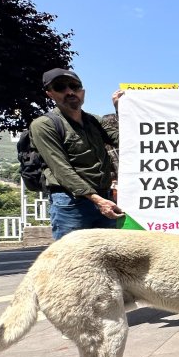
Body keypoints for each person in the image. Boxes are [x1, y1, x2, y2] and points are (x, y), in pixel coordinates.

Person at [31, 68, 124, 240]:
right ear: (50, 94)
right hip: (71, 204)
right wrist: (97, 200)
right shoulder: (44, 125)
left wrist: (122, 109)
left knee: (110, 259)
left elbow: (127, 141)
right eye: (60, 87)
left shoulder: (94, 121)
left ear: (82, 91)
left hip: (105, 199)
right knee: (72, 262)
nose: (69, 91)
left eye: (74, 86)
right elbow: (61, 169)